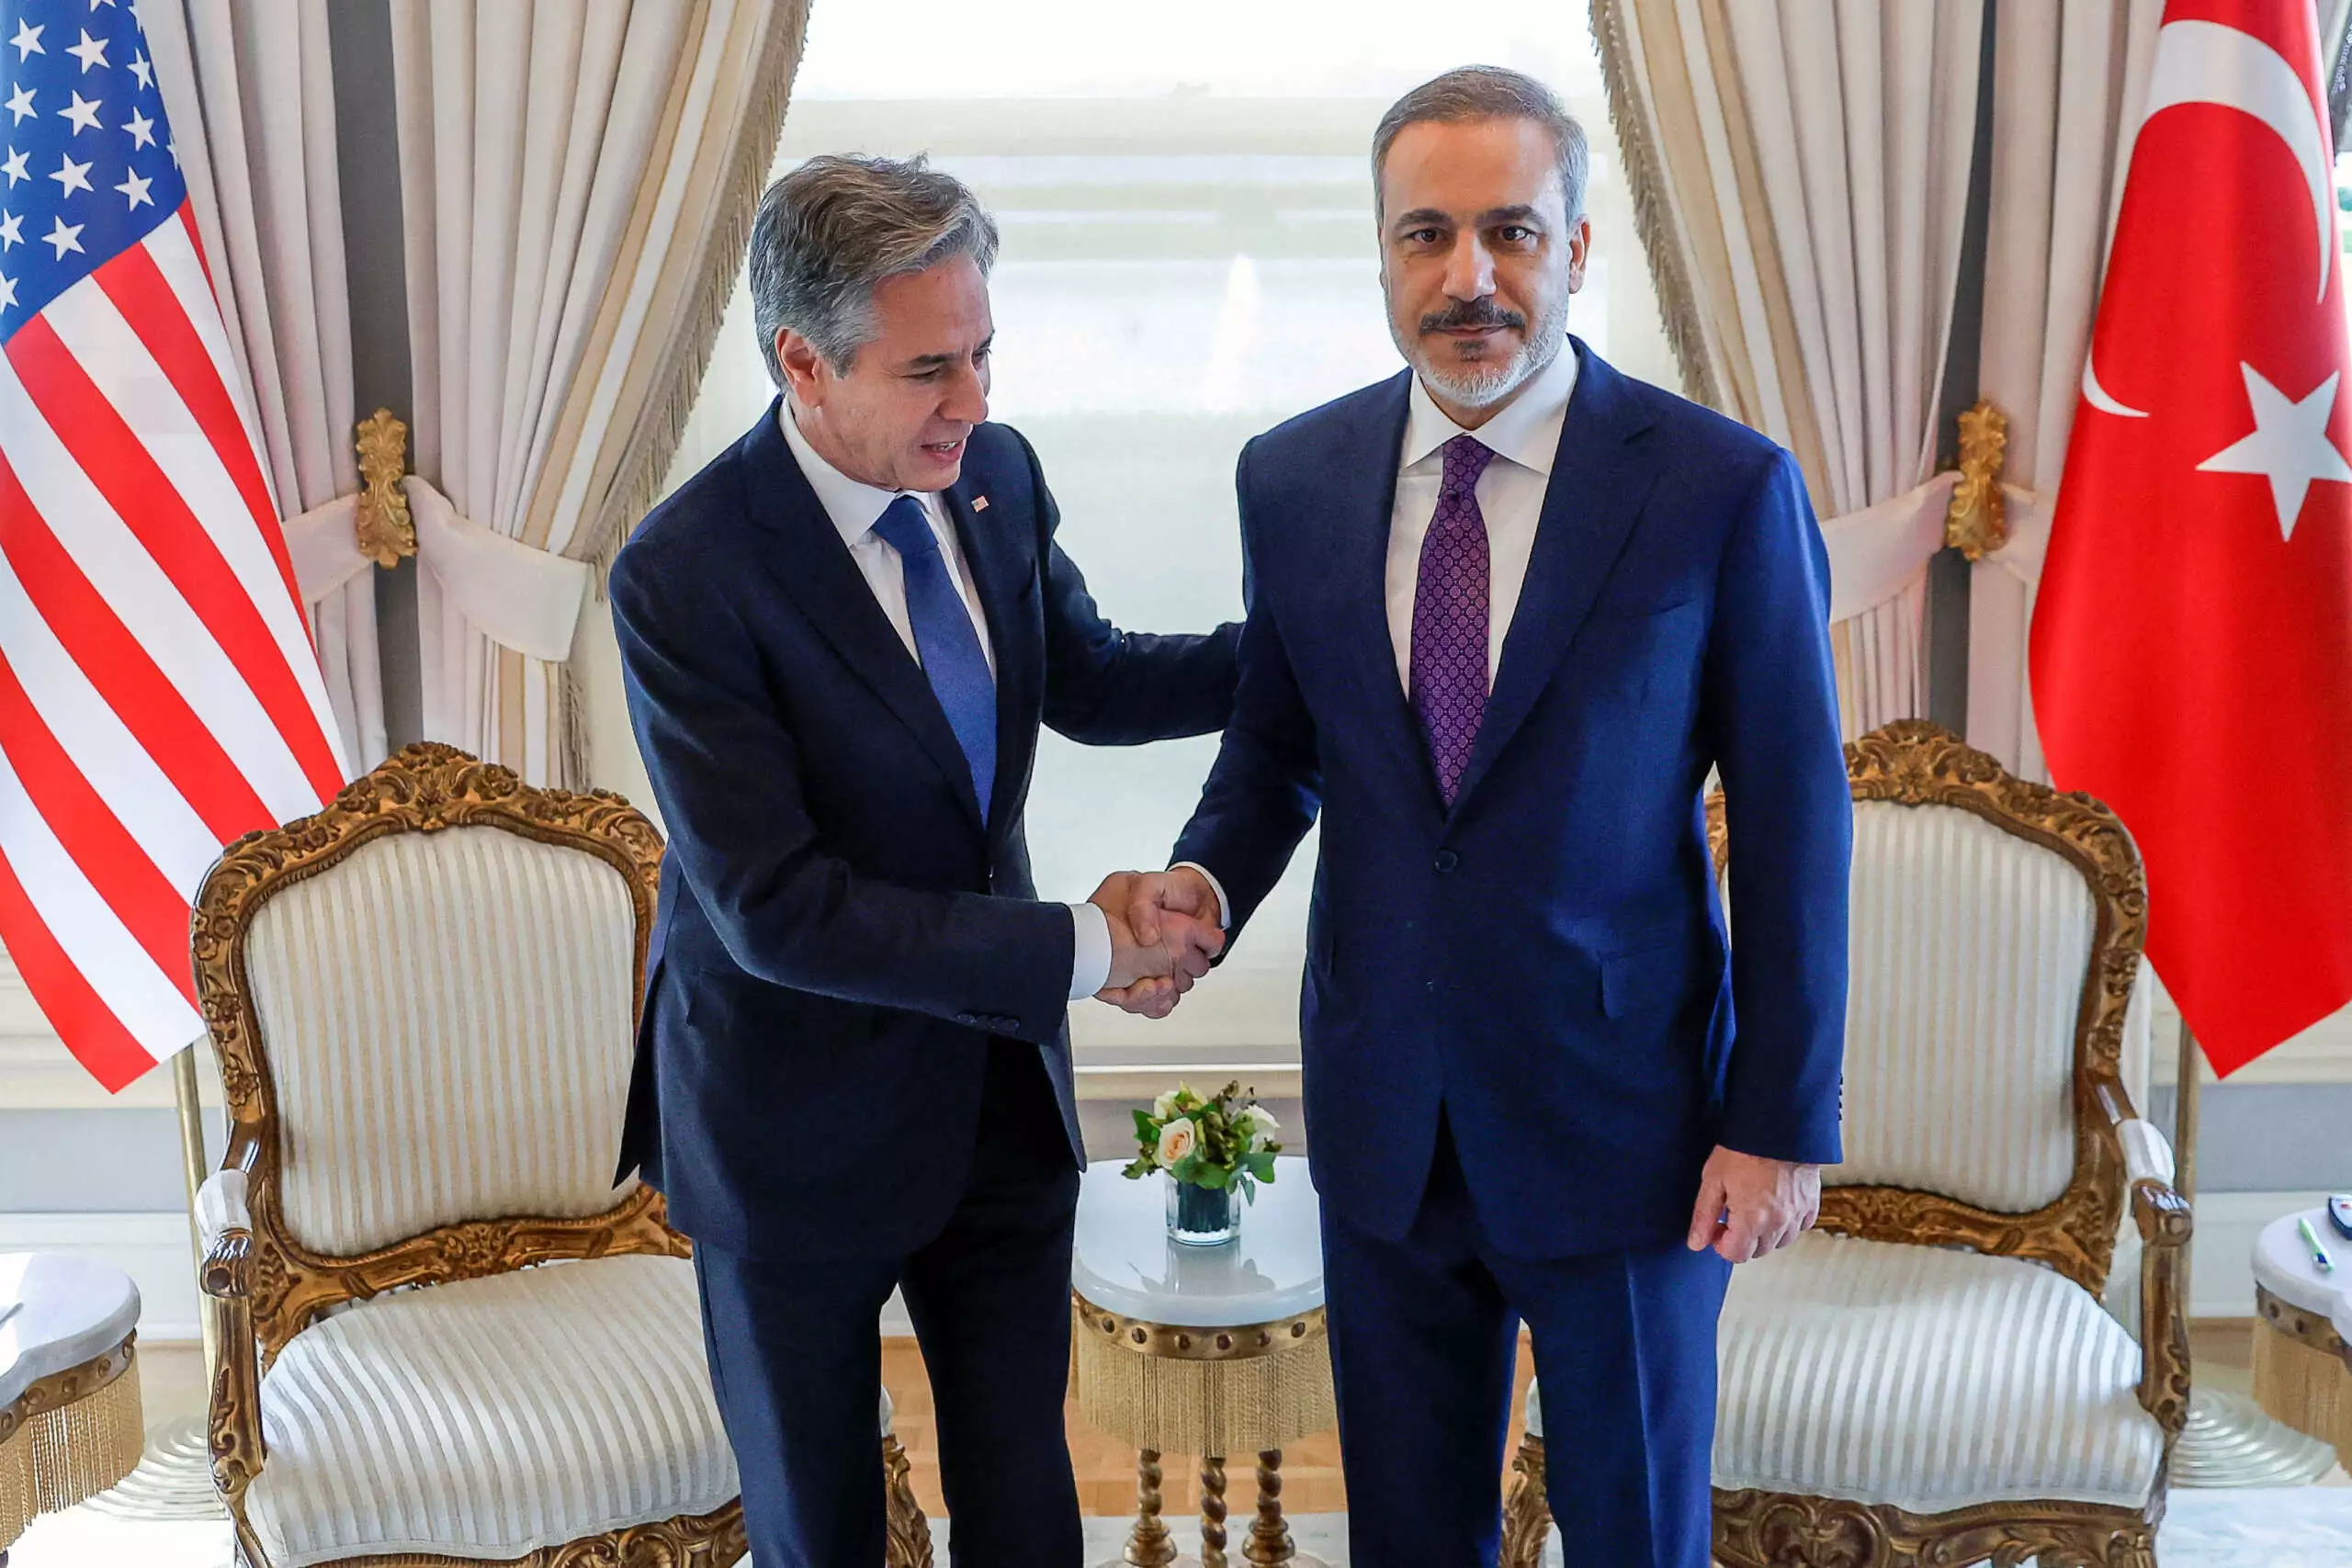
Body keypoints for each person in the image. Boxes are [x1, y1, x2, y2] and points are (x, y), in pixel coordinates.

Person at [1104, 66, 1851, 1567]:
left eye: (1510, 231)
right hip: (1387, 1122)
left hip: (1630, 1130)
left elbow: (1793, 817)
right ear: (1382, 253)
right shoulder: (1292, 478)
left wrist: (1776, 1122)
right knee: (1408, 1537)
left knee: (1637, 1535)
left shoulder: (1718, 487)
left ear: (1576, 248)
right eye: (1426, 235)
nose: (1469, 278)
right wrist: (1205, 881)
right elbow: (1279, 746)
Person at [608, 153, 1237, 1568]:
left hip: (995, 1099)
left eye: (985, 351)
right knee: (820, 1530)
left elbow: (1091, 673)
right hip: (789, 1123)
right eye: (930, 369)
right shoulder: (683, 574)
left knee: (1025, 1508)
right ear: (802, 361)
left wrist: (1310, 652)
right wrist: (1085, 946)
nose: (976, 400)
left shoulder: (991, 476)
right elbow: (777, 909)